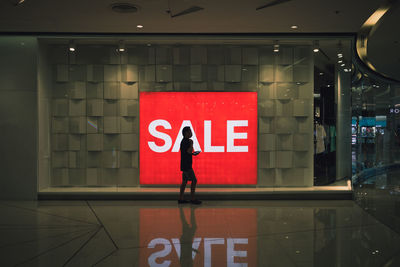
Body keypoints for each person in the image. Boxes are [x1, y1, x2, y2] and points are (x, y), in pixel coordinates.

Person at [178, 126, 202, 205]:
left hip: (184, 164)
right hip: (187, 166)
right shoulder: (186, 141)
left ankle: (181, 198)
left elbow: (186, 153)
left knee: (184, 181)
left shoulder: (184, 141)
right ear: (186, 133)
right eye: (189, 131)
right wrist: (191, 144)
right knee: (194, 180)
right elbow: (188, 151)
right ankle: (192, 198)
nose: (191, 133)